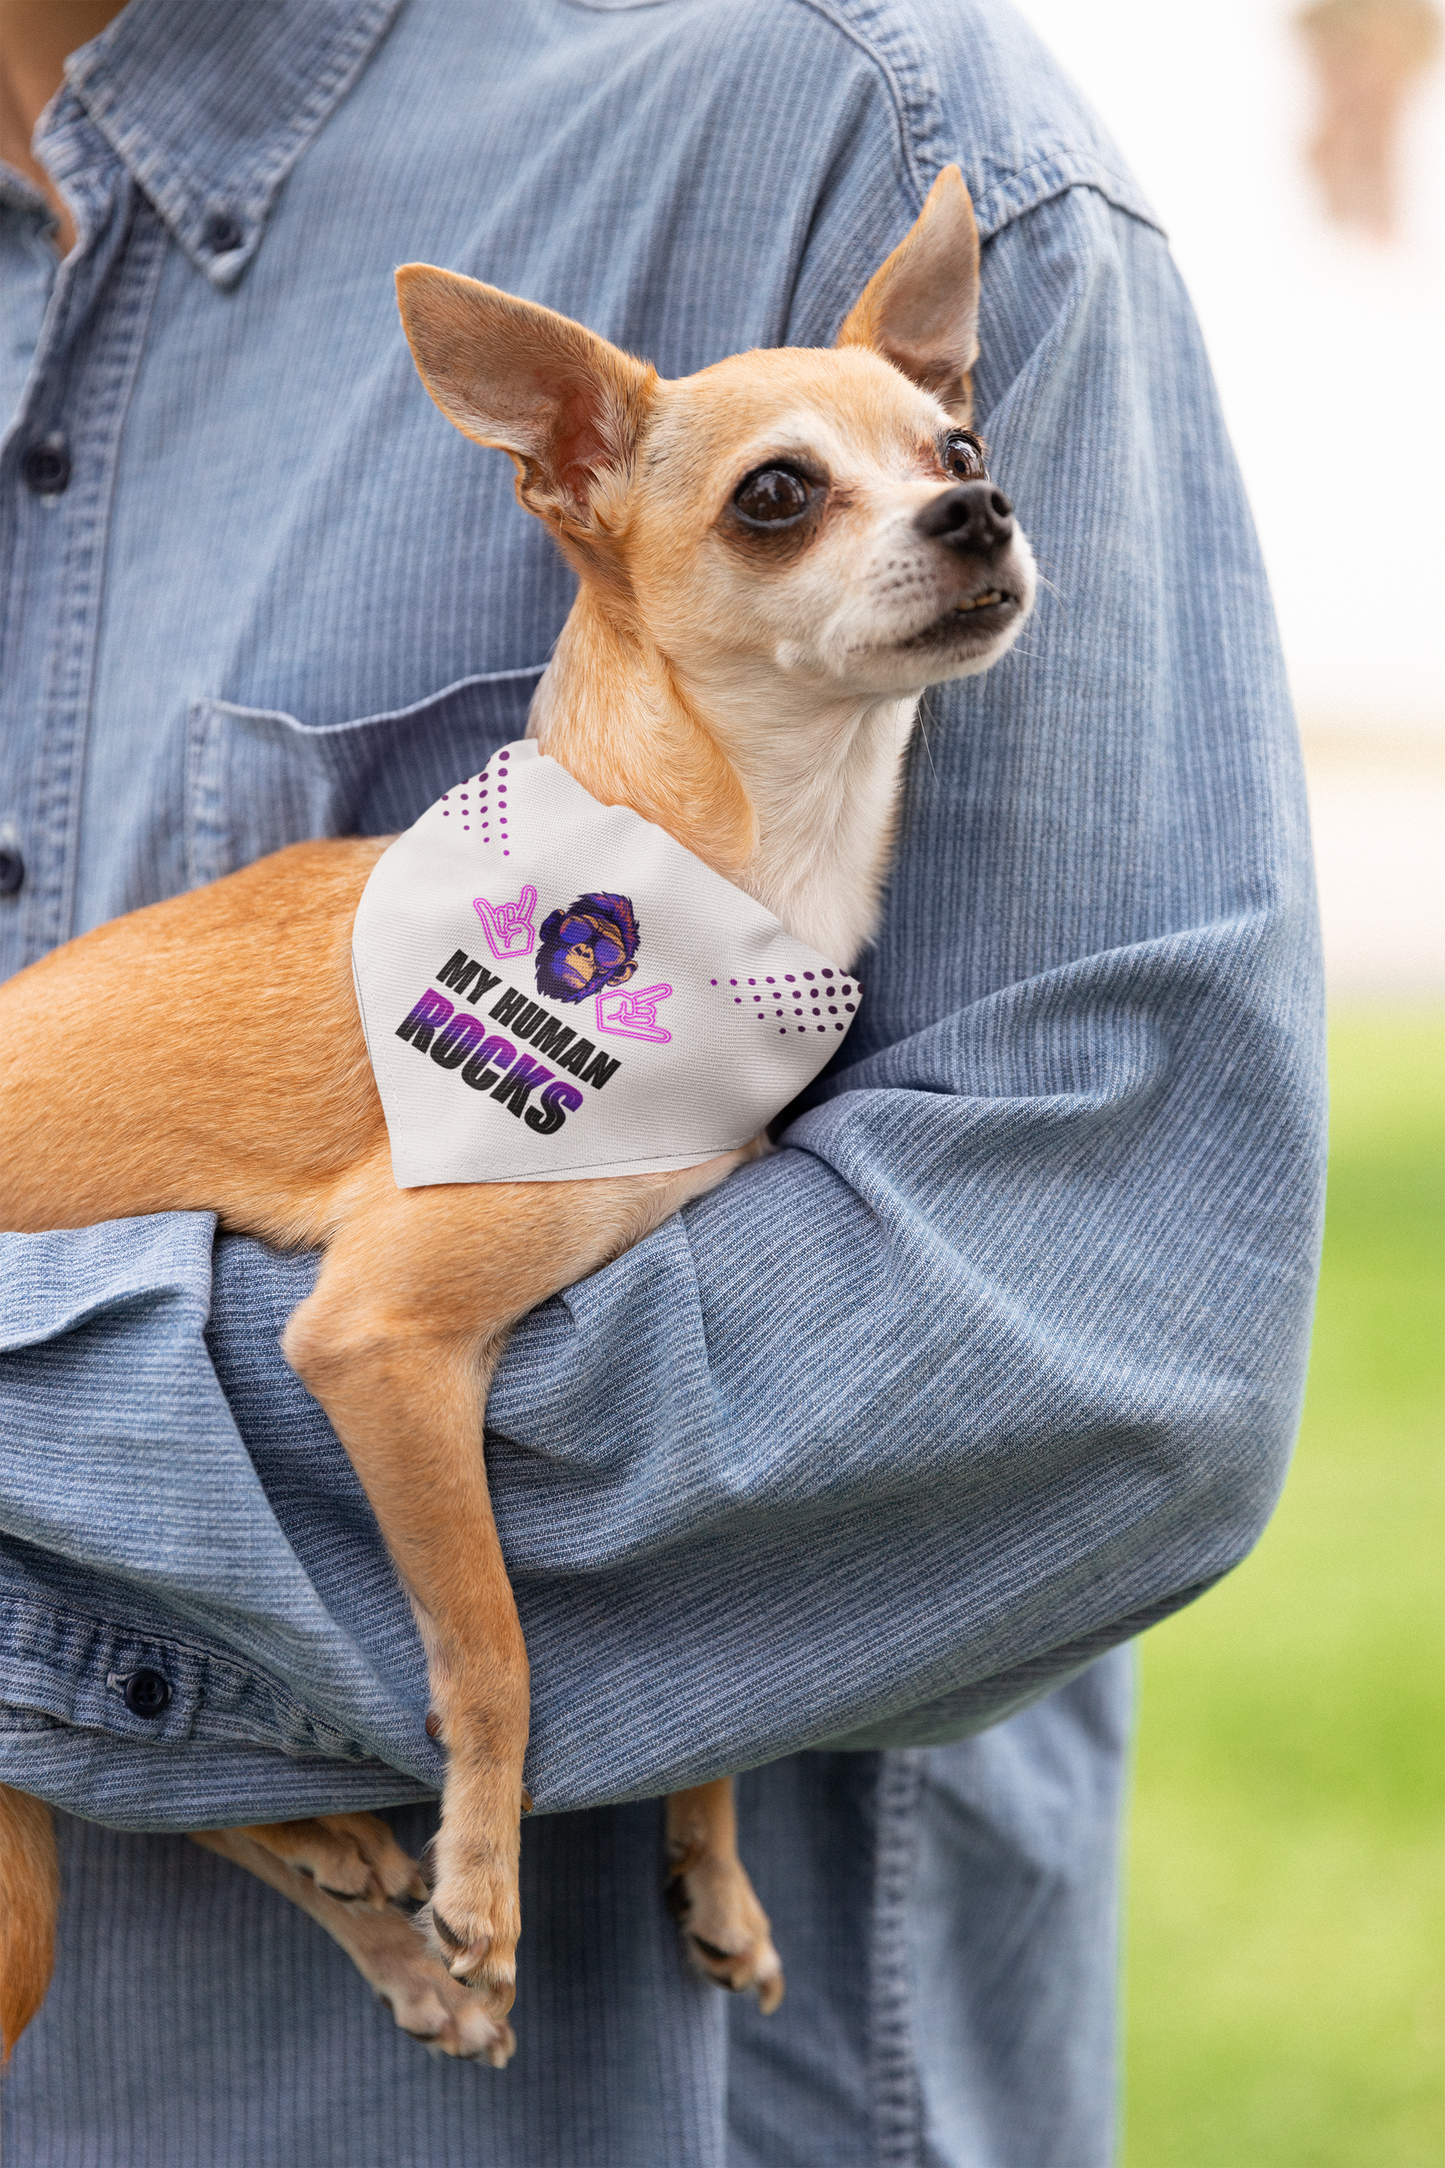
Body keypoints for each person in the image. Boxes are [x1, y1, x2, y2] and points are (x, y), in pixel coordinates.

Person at [0, 0, 1325, 2161]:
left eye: (949, 466)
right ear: (566, 476)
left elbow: (1101, 1348)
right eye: (787, 503)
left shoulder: (855, 117)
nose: (949, 521)